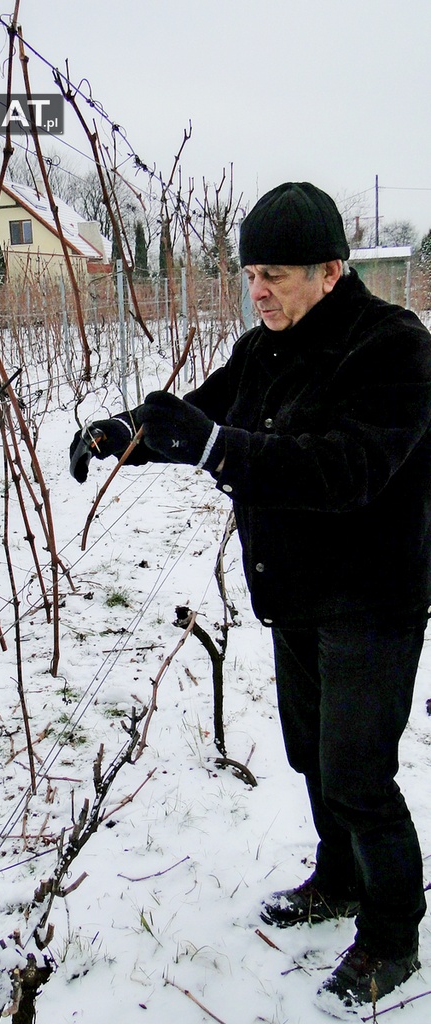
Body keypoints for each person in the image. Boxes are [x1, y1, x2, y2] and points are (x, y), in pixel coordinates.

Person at [69, 182, 431, 1014]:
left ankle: (391, 934)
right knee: (313, 756)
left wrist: (218, 450)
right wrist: (125, 433)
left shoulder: (394, 349)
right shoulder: (264, 346)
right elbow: (201, 415)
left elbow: (347, 469)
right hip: (295, 590)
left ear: (331, 272)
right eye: (251, 274)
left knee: (359, 775)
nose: (258, 291)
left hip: (372, 598)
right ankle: (339, 878)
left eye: (274, 275)